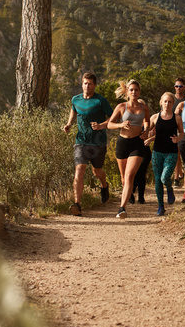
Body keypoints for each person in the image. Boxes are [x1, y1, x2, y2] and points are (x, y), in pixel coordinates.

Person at [92, 79, 152, 219]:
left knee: (130, 175)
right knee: (124, 179)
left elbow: (147, 121)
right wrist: (121, 125)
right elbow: (110, 124)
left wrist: (147, 130)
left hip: (137, 143)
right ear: (127, 92)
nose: (134, 92)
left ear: (139, 92)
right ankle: (128, 192)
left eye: (136, 90)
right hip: (122, 143)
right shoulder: (121, 107)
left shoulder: (144, 108)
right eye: (131, 90)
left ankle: (121, 208)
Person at [62, 71, 113, 217]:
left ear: (95, 85)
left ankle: (104, 185)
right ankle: (77, 204)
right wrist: (69, 124)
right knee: (80, 169)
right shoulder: (75, 99)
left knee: (97, 172)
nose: (87, 86)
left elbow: (113, 117)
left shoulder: (100, 101)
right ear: (82, 84)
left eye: (90, 84)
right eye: (85, 83)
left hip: (98, 142)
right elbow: (73, 111)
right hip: (81, 141)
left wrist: (101, 125)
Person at [145, 92, 183, 216]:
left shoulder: (177, 117)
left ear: (173, 103)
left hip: (171, 153)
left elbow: (181, 133)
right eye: (165, 101)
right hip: (157, 152)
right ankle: (160, 206)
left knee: (164, 177)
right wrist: (148, 135)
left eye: (170, 102)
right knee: (157, 180)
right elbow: (148, 130)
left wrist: (178, 139)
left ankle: (170, 189)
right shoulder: (155, 117)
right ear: (161, 102)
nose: (167, 104)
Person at [171, 77, 185, 187]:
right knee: (176, 153)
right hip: (173, 129)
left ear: (184, 87)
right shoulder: (171, 99)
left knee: (183, 153)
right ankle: (176, 178)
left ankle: (182, 175)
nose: (178, 88)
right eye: (176, 86)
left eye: (180, 86)